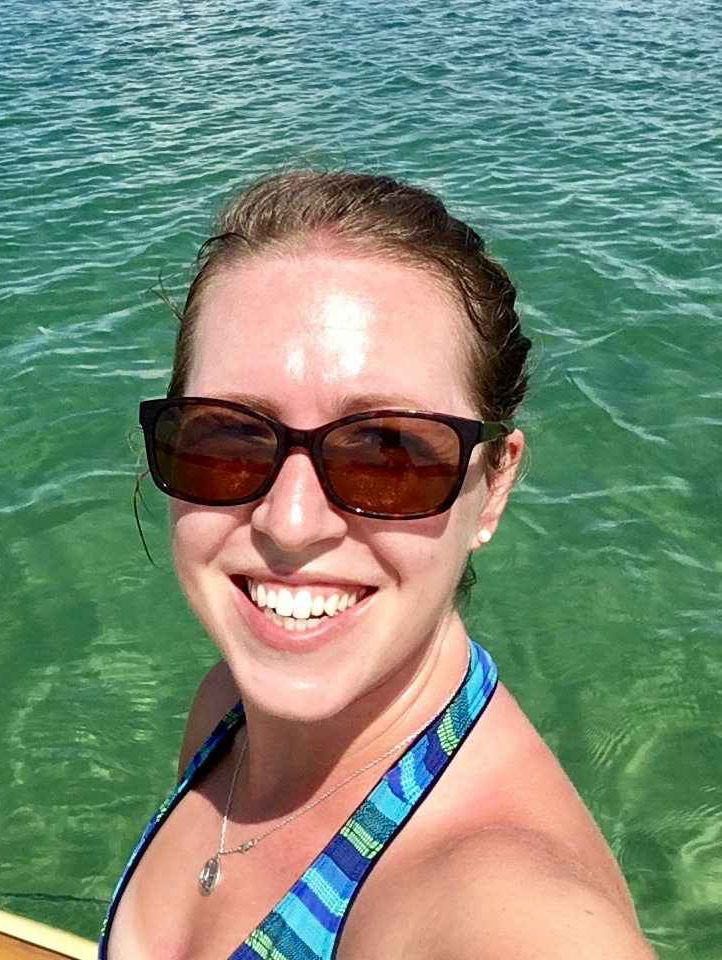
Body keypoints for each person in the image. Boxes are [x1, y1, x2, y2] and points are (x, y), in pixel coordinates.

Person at [100, 171, 655, 960]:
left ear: (493, 486)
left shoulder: (508, 907)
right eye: (228, 437)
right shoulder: (226, 711)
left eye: (388, 452)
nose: (291, 522)